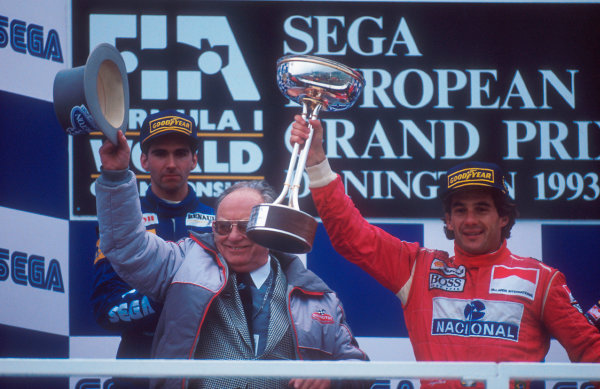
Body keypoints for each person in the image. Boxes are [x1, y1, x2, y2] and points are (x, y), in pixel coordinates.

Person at [290, 115, 600, 388]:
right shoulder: (418, 268)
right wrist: (316, 161)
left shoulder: (542, 280)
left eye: (482, 209)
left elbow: (590, 350)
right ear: (448, 221)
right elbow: (351, 235)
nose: (470, 221)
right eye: (460, 210)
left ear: (503, 217)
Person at [94, 129, 371, 389]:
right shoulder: (183, 262)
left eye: (245, 226)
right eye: (223, 227)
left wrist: (330, 378)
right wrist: (117, 176)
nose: (233, 237)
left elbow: (359, 367)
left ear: (266, 228)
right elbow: (127, 246)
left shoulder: (315, 295)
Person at [91, 110, 215, 389]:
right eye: (160, 153)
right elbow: (106, 310)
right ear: (144, 160)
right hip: (138, 367)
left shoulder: (219, 224)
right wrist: (175, 298)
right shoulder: (119, 223)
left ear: (194, 160)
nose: (171, 164)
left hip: (203, 367)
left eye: (181, 153)